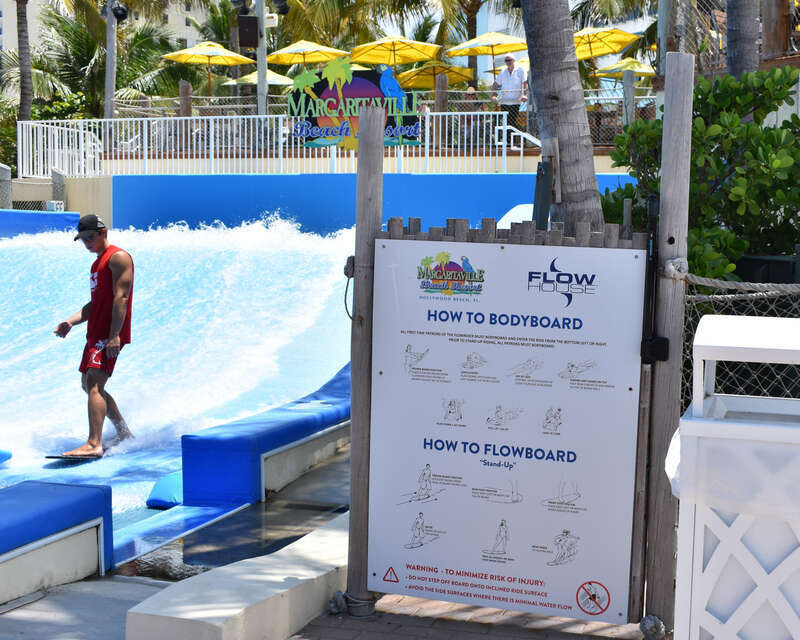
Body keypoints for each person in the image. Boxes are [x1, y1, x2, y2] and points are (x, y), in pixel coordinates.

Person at [54, 215, 134, 457]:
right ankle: (123, 433)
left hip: (108, 333)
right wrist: (71, 321)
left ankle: (94, 444)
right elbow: (96, 302)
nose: (87, 242)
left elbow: (121, 298)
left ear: (103, 232)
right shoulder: (97, 263)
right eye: (83, 239)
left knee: (95, 385)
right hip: (95, 332)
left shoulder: (118, 257)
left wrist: (114, 336)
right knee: (87, 384)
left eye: (90, 237)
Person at [492, 54, 528, 146]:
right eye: (506, 60)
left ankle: (511, 142)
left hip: (516, 101)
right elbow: (495, 84)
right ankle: (508, 142)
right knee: (506, 122)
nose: (508, 62)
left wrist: (525, 95)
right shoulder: (503, 71)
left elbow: (525, 83)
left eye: (509, 60)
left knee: (511, 121)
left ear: (514, 60)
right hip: (504, 101)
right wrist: (494, 95)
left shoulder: (520, 70)